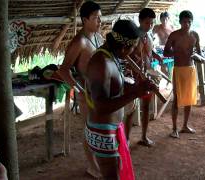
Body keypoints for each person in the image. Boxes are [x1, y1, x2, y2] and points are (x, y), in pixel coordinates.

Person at [84, 19, 156, 180]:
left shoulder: (112, 56)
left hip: (110, 128)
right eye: (132, 48)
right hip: (102, 132)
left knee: (117, 171)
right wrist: (136, 93)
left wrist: (139, 86)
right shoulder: (101, 63)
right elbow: (100, 107)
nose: (132, 52)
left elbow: (115, 88)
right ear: (125, 47)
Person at [52, 1, 103, 178]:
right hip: (86, 91)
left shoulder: (98, 37)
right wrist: (79, 89)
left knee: (99, 128)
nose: (100, 22)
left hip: (100, 91)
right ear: (85, 19)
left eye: (100, 17)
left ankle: (99, 162)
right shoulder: (79, 42)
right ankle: (92, 166)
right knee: (89, 129)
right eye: (96, 18)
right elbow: (63, 70)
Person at [163, 10, 201, 138]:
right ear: (180, 22)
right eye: (184, 22)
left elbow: (199, 53)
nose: (187, 24)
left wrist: (196, 56)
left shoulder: (195, 35)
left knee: (189, 98)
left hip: (190, 69)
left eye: (189, 22)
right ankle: (174, 128)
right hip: (178, 69)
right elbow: (165, 52)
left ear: (192, 22)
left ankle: (185, 125)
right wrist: (176, 53)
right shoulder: (174, 35)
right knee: (177, 99)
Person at [128, 8, 163, 147]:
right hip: (134, 76)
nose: (150, 25)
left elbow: (149, 50)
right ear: (140, 21)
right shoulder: (133, 36)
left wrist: (155, 55)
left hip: (146, 74)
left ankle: (143, 136)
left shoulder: (148, 36)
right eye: (147, 22)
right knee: (130, 108)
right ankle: (126, 140)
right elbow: (127, 55)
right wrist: (137, 65)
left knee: (146, 105)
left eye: (152, 23)